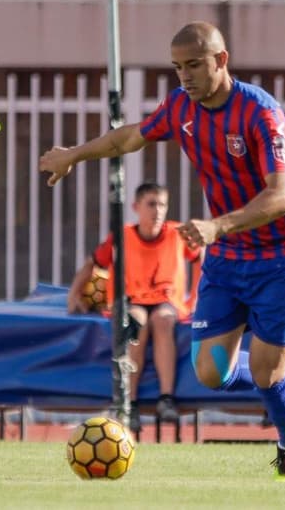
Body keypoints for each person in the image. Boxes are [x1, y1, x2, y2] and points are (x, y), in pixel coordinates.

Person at [41, 21, 285, 482]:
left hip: (282, 254)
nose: (184, 76)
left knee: (269, 375)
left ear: (221, 61)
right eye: (177, 67)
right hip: (229, 253)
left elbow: (283, 196)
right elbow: (128, 137)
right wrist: (74, 154)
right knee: (211, 372)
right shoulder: (180, 108)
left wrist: (218, 224)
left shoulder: (260, 113)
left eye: (193, 65)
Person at [68, 182, 202, 432]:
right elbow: (93, 262)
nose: (158, 211)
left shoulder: (177, 233)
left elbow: (200, 258)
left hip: (167, 301)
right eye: (151, 204)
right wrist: (74, 295)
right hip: (133, 300)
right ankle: (129, 404)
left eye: (162, 204)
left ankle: (166, 398)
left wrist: (195, 299)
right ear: (136, 207)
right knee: (135, 324)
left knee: (162, 320)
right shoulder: (122, 235)